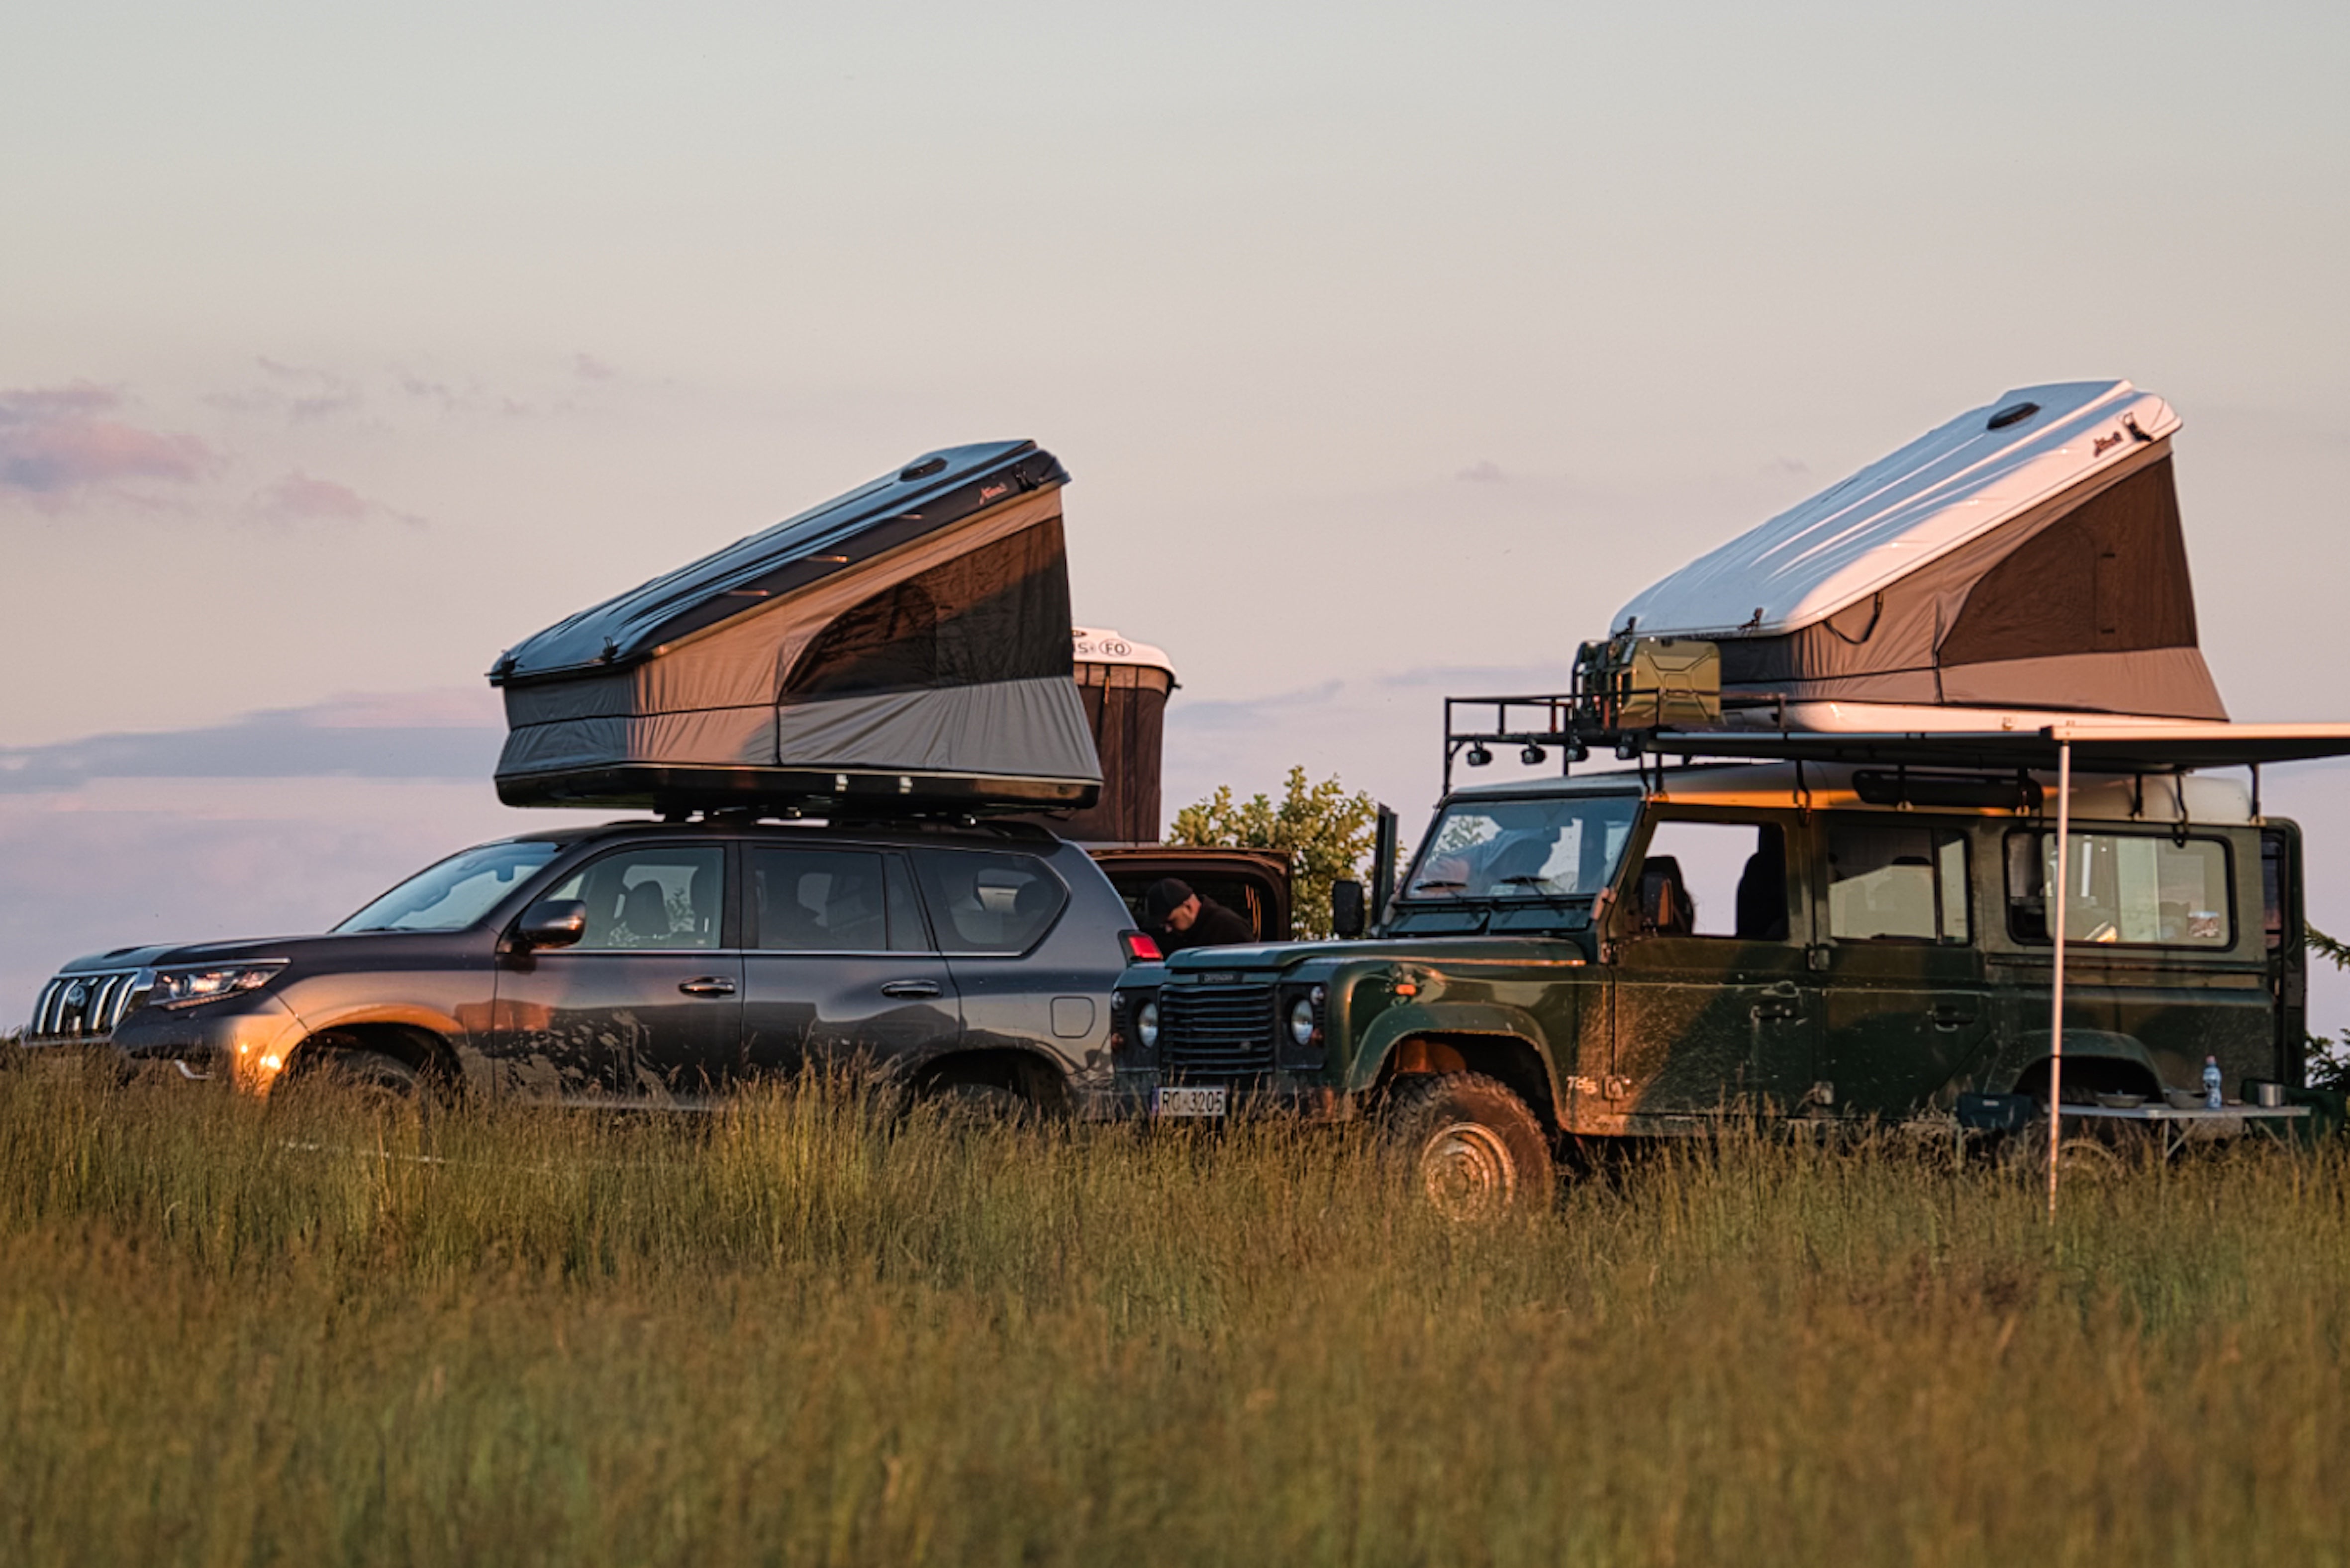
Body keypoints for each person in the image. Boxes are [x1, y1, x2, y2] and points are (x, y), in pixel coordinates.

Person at [1141, 878, 1255, 953]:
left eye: (1171, 922)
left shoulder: (1229, 927)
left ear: (1188, 907)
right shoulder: (1185, 934)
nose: (1168, 930)